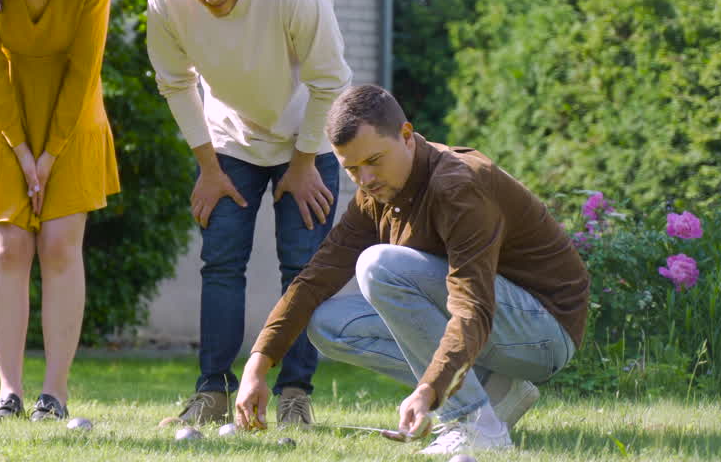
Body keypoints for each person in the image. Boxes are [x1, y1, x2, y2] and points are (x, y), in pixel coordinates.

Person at [234, 84, 590, 455]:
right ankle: (494, 390)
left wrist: (430, 390)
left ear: (406, 136)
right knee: (326, 324)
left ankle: (475, 422)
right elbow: (317, 276)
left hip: (546, 332)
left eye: (373, 161)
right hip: (497, 327)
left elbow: (473, 309)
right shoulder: (377, 194)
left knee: (379, 266)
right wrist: (258, 363)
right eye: (352, 168)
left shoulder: (457, 187)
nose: (365, 179)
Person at [146, 0, 352, 426]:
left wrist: (303, 163)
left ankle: (295, 396)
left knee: (303, 270)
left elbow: (330, 82)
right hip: (229, 144)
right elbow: (175, 83)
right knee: (220, 264)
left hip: (306, 137)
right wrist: (207, 166)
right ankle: (212, 392)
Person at [0, 0, 120, 422]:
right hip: (3, 116)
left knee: (58, 245)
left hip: (73, 116)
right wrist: (21, 149)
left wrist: (49, 154)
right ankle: (9, 392)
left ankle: (54, 394)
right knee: (7, 247)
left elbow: (84, 70)